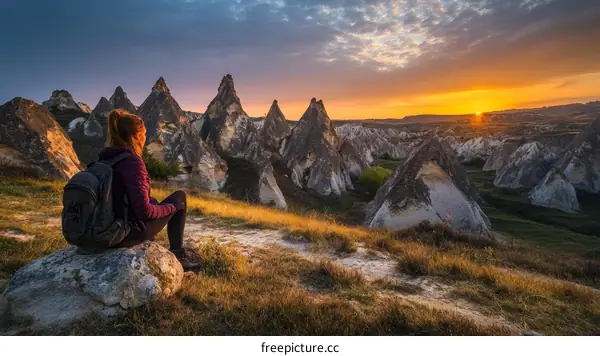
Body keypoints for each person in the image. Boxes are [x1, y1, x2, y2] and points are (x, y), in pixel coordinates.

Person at [98, 109, 200, 270]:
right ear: (135, 136)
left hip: (105, 229)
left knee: (157, 204)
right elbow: (144, 212)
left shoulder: (105, 158)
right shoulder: (132, 162)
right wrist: (172, 208)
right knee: (179, 198)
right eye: (144, 134)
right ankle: (179, 256)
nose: (146, 138)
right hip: (126, 233)